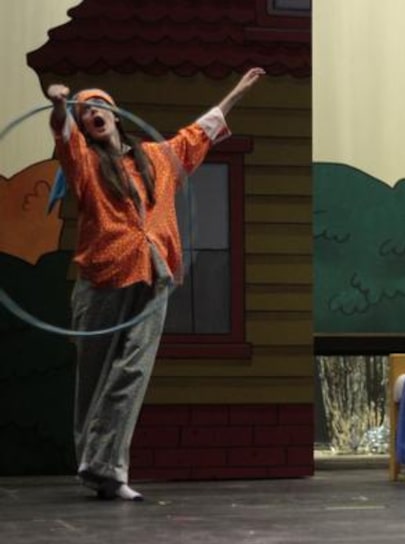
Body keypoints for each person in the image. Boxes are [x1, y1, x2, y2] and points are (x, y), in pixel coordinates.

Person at [45, 67, 266, 501]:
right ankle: (94, 465)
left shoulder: (155, 158)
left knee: (133, 370)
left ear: (115, 114)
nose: (94, 114)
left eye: (100, 107)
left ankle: (108, 468)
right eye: (86, 111)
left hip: (154, 273)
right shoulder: (86, 164)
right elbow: (65, 139)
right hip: (102, 278)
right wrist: (58, 106)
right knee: (94, 376)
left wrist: (236, 92)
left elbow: (197, 134)